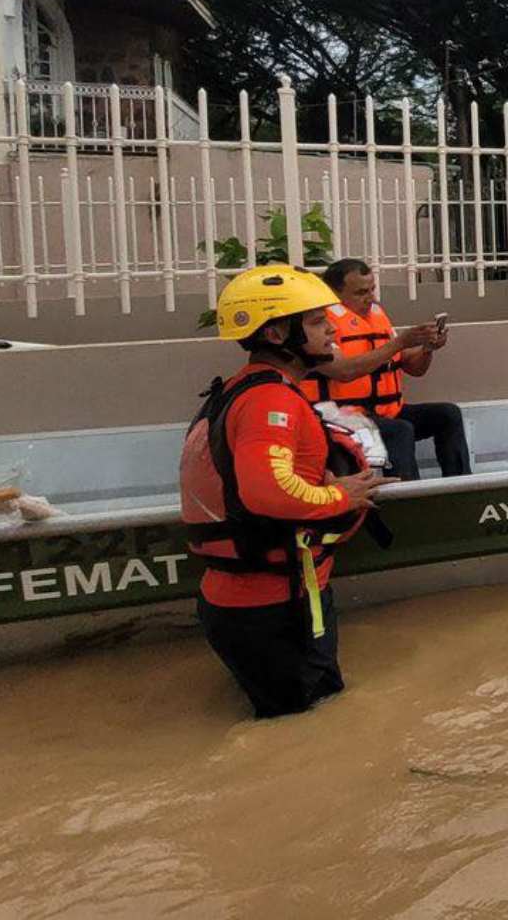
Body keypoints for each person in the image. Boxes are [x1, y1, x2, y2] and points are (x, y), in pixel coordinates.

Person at [181, 264, 394, 718]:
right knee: (306, 728)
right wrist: (343, 497)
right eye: (317, 322)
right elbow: (267, 493)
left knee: (298, 730)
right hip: (273, 604)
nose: (332, 330)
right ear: (278, 333)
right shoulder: (270, 401)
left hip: (257, 598)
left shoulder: (242, 390)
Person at [302, 258, 471, 481]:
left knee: (447, 414)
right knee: (399, 430)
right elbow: (343, 371)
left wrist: (427, 349)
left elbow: (413, 367)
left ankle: (460, 485)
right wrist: (400, 342)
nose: (371, 297)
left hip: (384, 412)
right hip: (340, 418)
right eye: (361, 292)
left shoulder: (377, 315)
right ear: (334, 293)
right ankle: (408, 500)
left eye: (372, 289)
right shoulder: (320, 325)